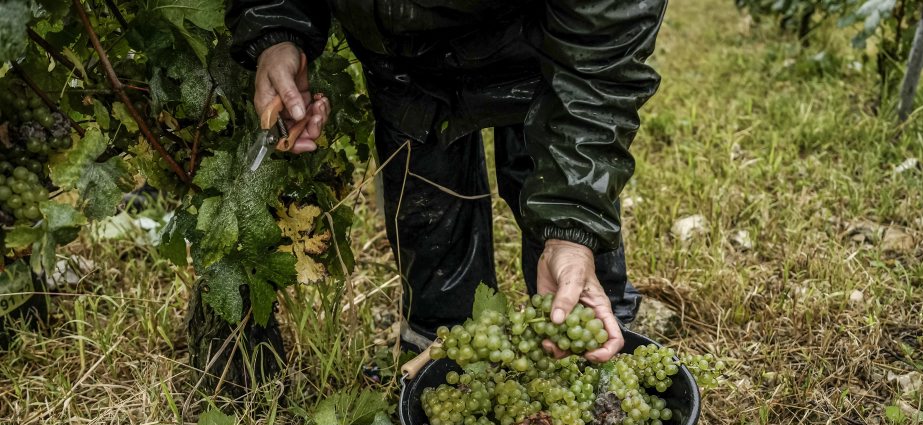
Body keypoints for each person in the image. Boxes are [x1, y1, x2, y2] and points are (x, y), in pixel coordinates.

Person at [226, 0, 667, 362]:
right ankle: (443, 364)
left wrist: (572, 228)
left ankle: (600, 352)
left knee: (568, 241)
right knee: (433, 240)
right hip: (399, 56)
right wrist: (278, 29)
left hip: (543, 41)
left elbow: (602, 53)